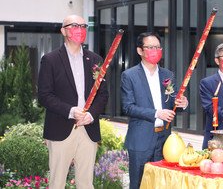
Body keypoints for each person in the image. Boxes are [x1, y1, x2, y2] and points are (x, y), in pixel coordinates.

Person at [38, 15, 109, 189]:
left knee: (86, 183)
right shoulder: (50, 59)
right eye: (74, 25)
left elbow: (103, 94)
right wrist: (71, 111)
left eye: (83, 26)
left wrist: (91, 115)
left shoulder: (96, 60)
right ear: (63, 31)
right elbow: (44, 95)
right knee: (57, 182)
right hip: (60, 128)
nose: (80, 29)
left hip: (88, 129)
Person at [121, 32, 188, 189]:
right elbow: (128, 107)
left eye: (158, 47)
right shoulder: (129, 75)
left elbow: (172, 102)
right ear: (140, 51)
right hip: (141, 140)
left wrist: (181, 103)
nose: (155, 50)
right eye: (150, 47)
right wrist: (156, 113)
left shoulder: (167, 75)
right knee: (139, 183)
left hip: (164, 140)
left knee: (162, 183)